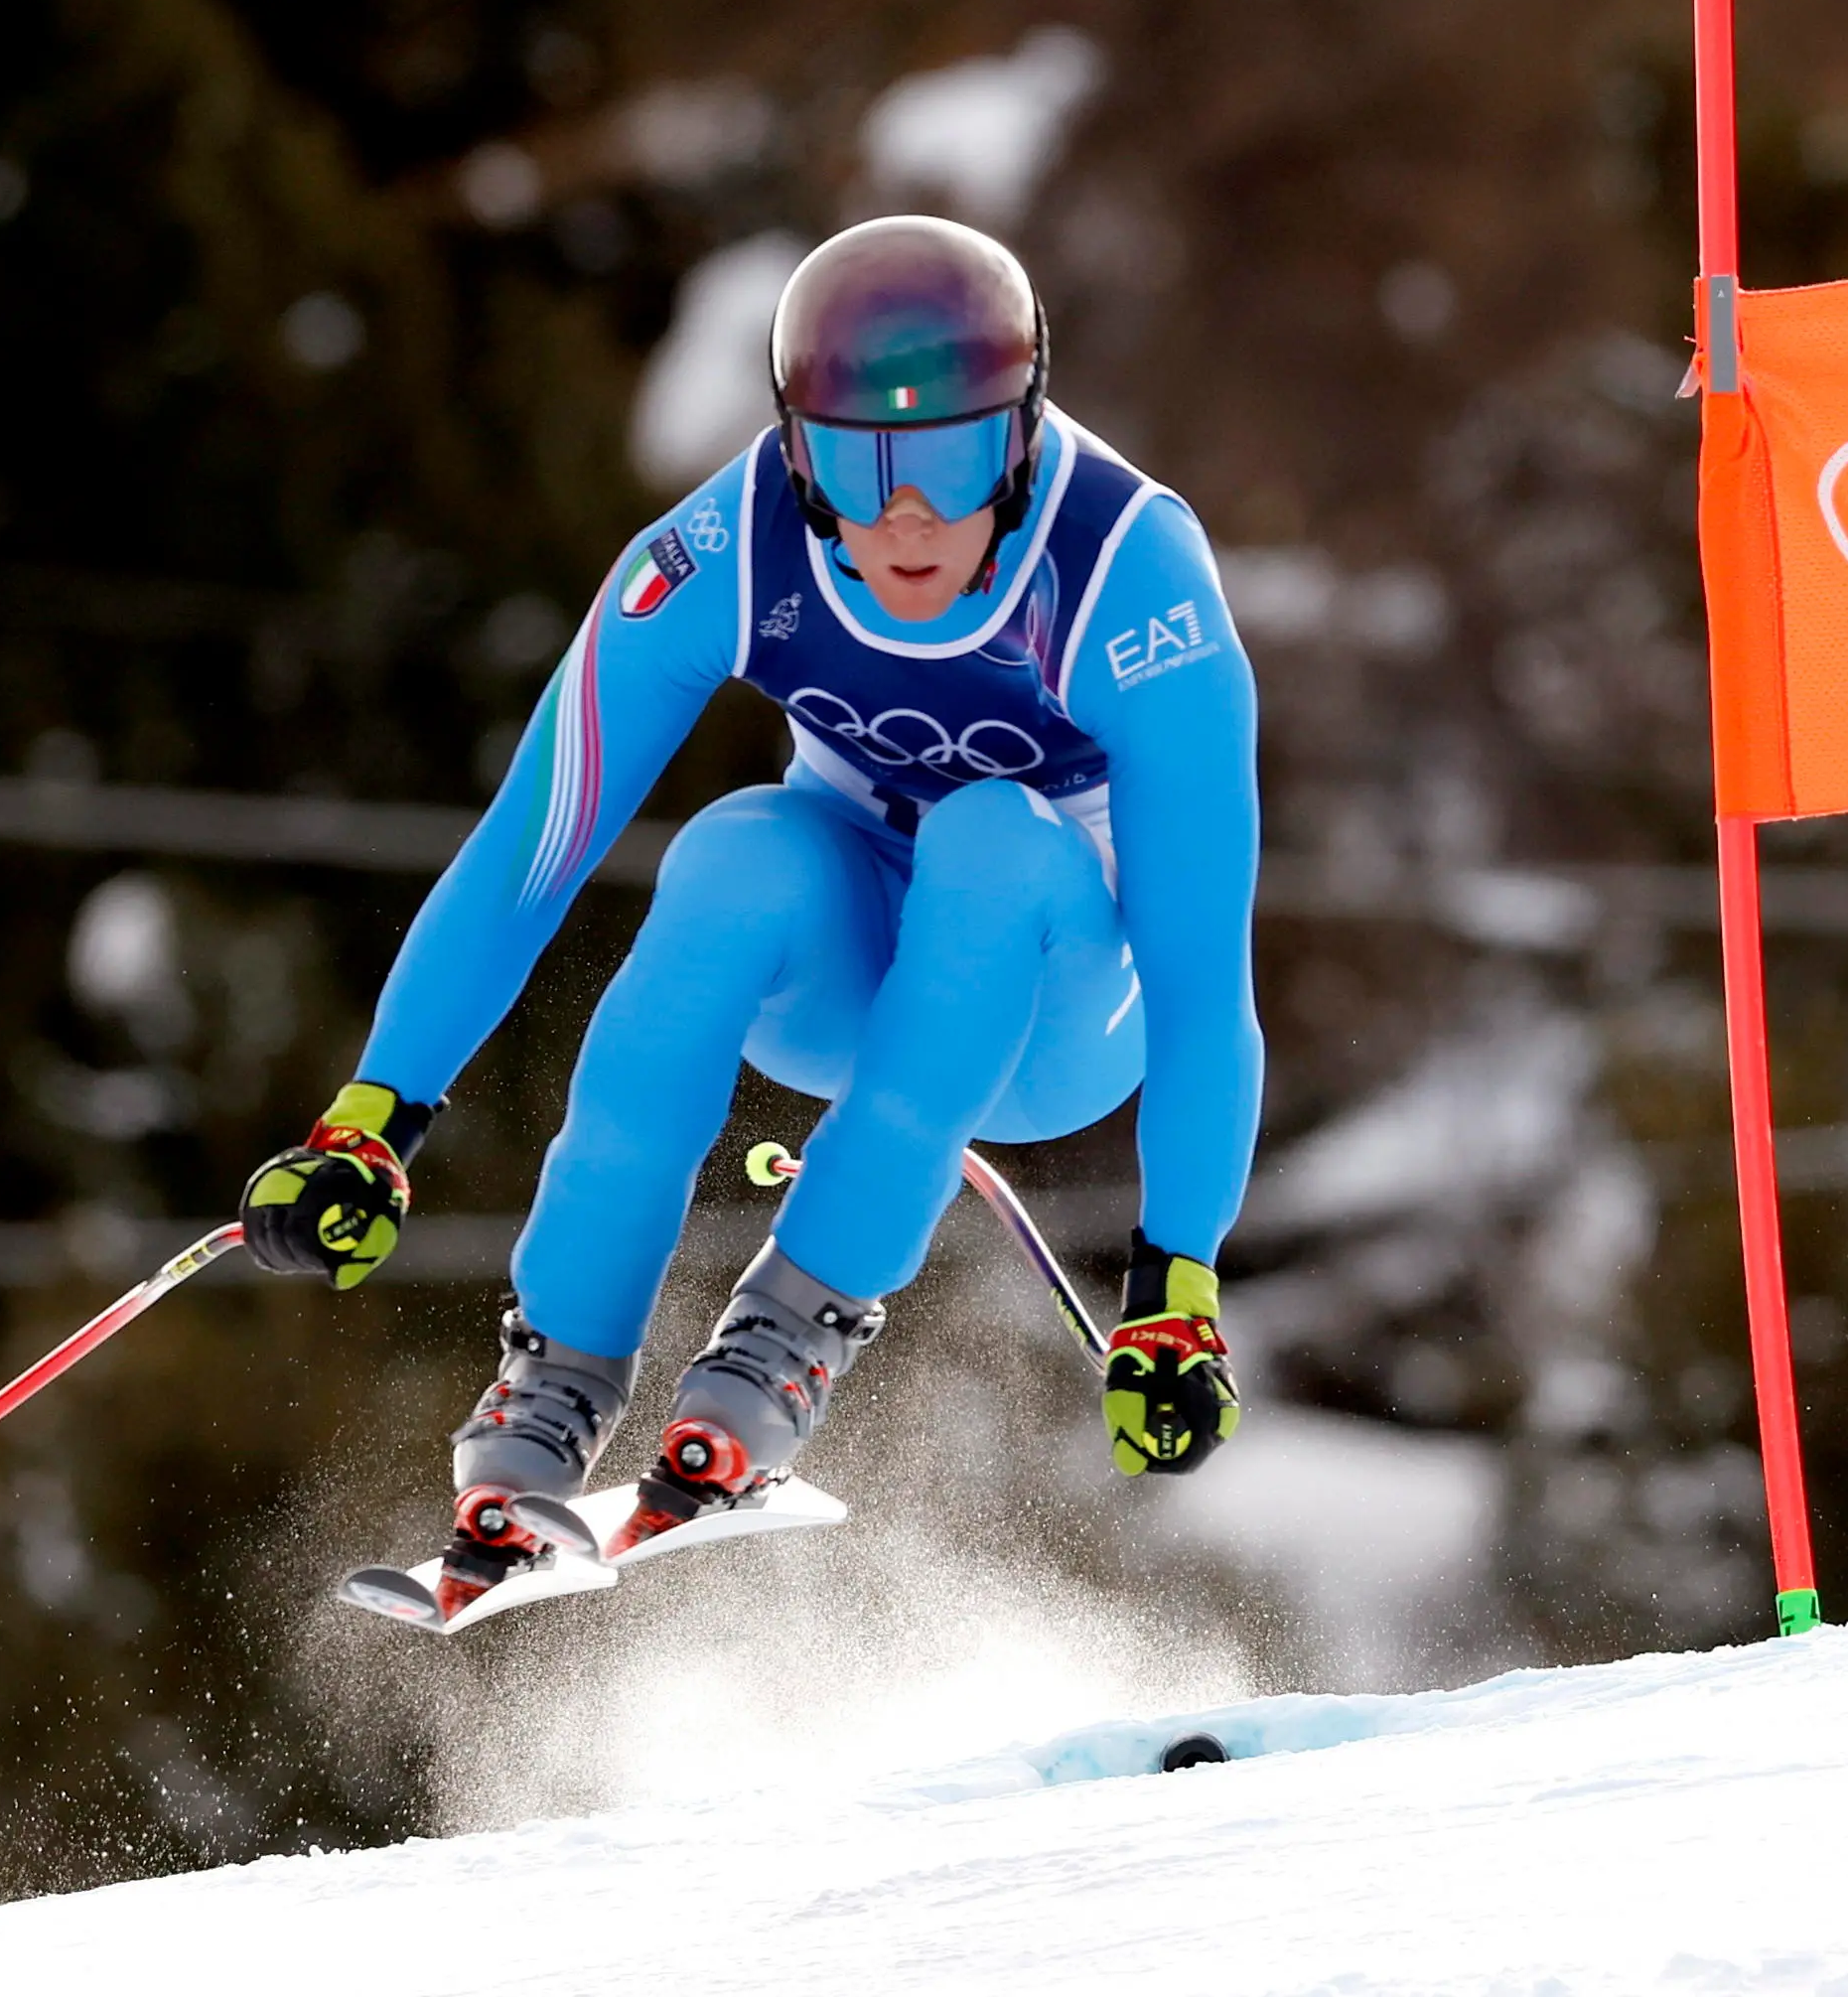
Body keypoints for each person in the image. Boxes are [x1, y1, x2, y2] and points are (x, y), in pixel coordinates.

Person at [238, 214, 1262, 1616]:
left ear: (1021, 441)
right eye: (857, 462)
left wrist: (1180, 1277)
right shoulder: (724, 546)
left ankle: (788, 1334)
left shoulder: (1131, 574)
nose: (905, 517)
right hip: (840, 989)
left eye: (952, 461)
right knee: (736, 849)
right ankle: (553, 1382)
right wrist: (376, 1116)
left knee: (991, 833)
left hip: (1058, 1022)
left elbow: (1206, 981)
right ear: (794, 447)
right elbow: (531, 848)